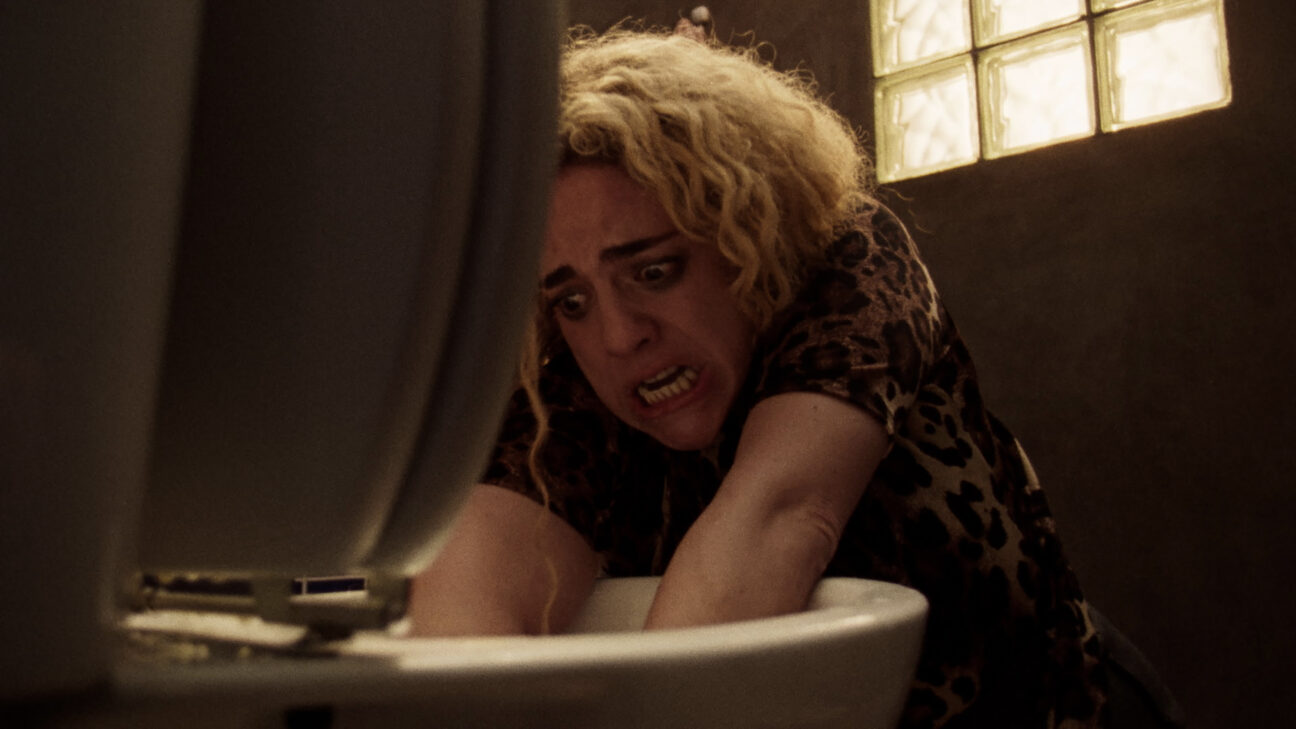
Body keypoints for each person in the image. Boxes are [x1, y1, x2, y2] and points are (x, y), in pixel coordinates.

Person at [407, 21, 1112, 729]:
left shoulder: (848, 266)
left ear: (744, 230)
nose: (619, 336)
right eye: (571, 300)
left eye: (654, 272)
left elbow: (779, 516)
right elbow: (462, 617)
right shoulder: (576, 379)